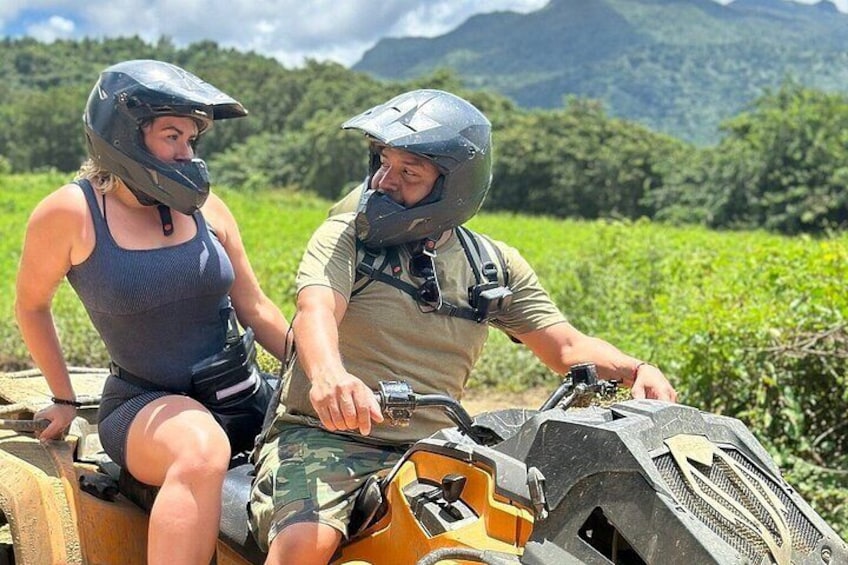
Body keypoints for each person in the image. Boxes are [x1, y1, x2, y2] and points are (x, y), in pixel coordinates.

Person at [249, 89, 677, 564]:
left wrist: (636, 369)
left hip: (434, 452)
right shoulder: (347, 235)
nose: (385, 182)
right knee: (308, 543)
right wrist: (330, 376)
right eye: (383, 163)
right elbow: (317, 311)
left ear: (453, 185)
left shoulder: (491, 266)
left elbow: (566, 345)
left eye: (409, 172)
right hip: (324, 440)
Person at [14, 59, 290, 565]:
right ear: (123, 135)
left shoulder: (210, 208)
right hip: (146, 405)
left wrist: (328, 369)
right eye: (171, 137)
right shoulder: (71, 212)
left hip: (239, 393)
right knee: (201, 448)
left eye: (191, 141)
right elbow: (31, 305)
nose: (186, 154)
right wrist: (62, 397)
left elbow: (255, 306)